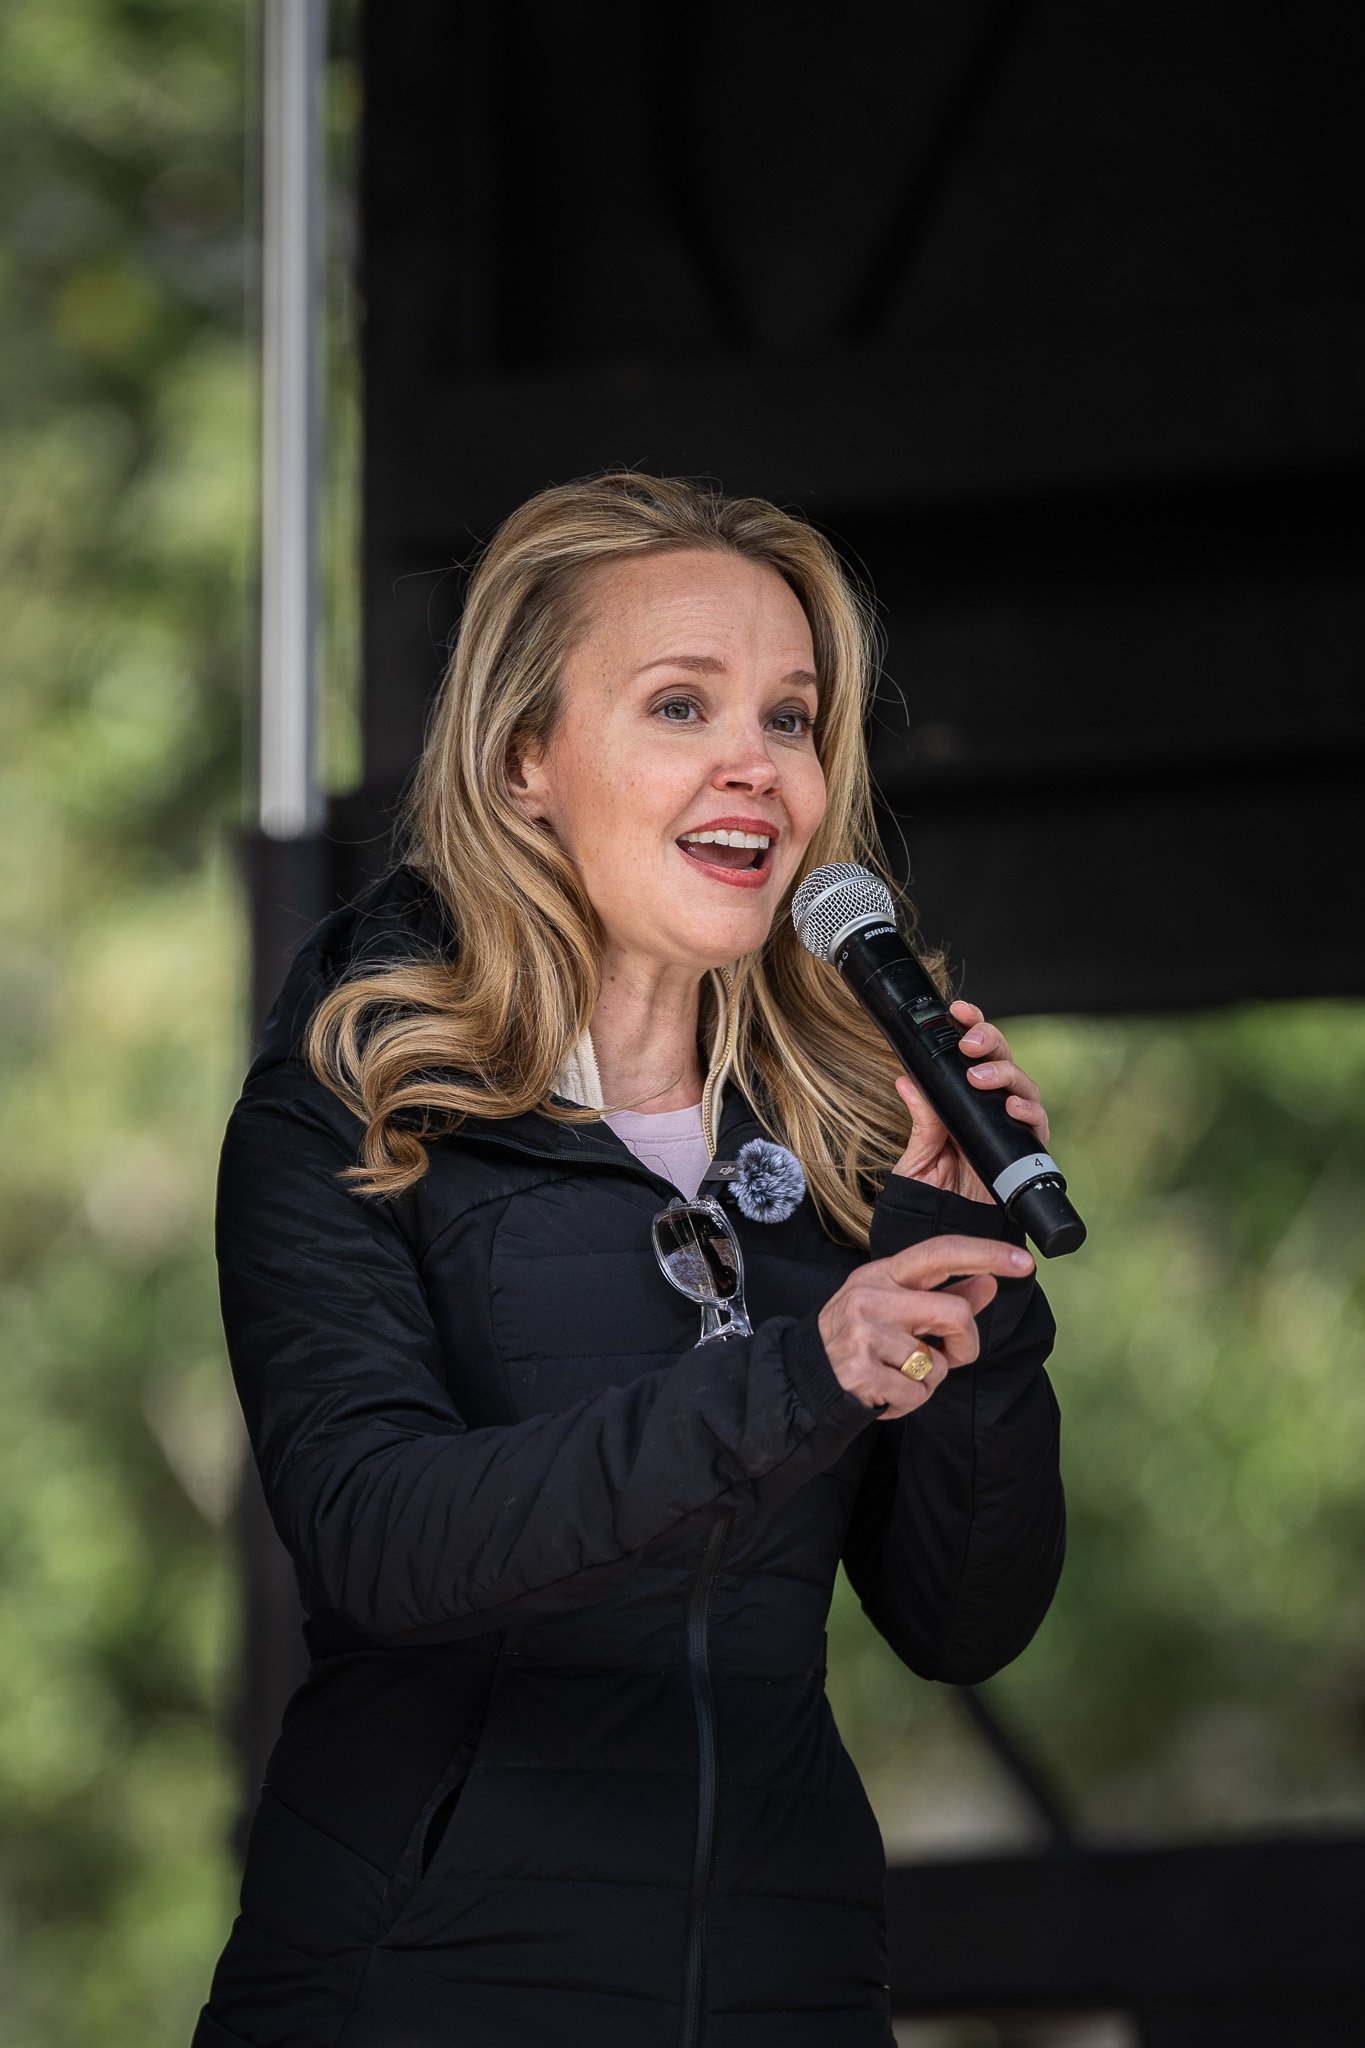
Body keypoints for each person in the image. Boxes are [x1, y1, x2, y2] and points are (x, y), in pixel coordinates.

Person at [193, 472, 1064, 2048]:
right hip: (423, 1994)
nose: (756, 763)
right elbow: (381, 1542)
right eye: (681, 704)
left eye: (791, 719)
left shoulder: (841, 1135)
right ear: (526, 760)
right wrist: (804, 1375)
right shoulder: (356, 1110)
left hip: (781, 1991)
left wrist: (964, 1283)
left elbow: (961, 1623)